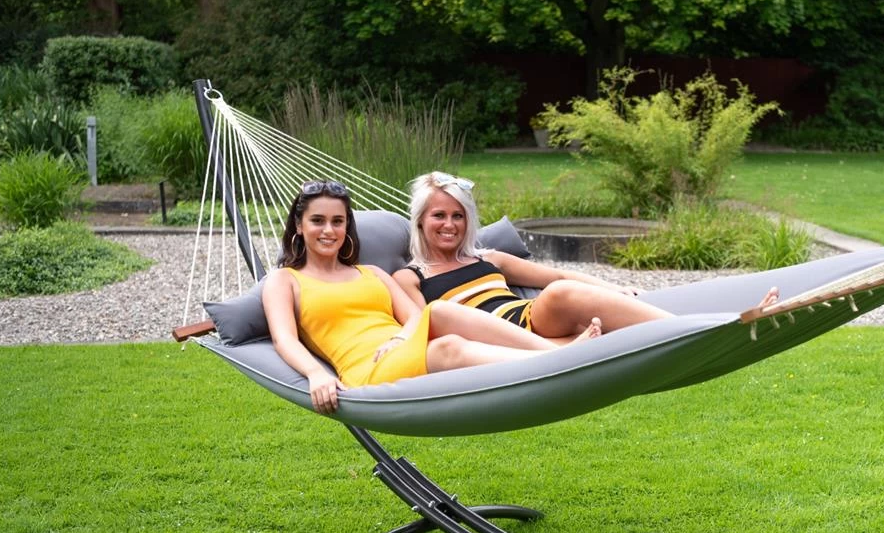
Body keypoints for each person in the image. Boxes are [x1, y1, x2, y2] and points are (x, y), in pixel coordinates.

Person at [262, 180, 600, 415]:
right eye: (318, 221)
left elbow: (415, 317)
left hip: (402, 348)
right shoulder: (284, 280)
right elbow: (284, 339)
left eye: (337, 221)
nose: (329, 230)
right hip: (367, 368)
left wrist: (400, 338)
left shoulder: (372, 273)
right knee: (443, 331)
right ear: (299, 225)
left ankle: (558, 354)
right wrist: (316, 374)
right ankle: (561, 357)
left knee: (443, 330)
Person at [395, 171, 779, 342]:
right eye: (439, 215)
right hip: (508, 335)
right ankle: (707, 331)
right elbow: (421, 326)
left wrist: (612, 288)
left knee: (579, 301)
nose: (450, 225)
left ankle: (720, 322)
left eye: (458, 215)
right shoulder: (412, 277)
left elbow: (554, 275)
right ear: (420, 220)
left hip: (535, 320)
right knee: (562, 294)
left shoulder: (489, 258)